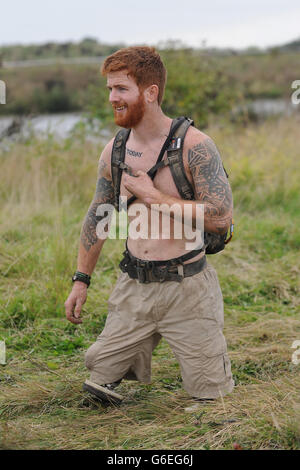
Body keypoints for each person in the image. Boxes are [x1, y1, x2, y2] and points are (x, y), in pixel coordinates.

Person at [64, 46, 234, 405]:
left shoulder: (195, 146)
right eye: (110, 89)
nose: (113, 98)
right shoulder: (115, 150)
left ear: (150, 92)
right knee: (96, 377)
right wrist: (81, 280)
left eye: (121, 89)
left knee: (212, 399)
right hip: (134, 286)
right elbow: (100, 214)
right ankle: (123, 355)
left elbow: (221, 217)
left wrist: (154, 196)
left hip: (187, 288)